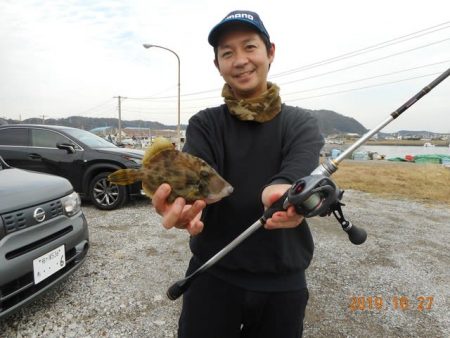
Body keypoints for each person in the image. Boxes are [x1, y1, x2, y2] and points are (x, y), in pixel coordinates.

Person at [152, 10, 324, 338]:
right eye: (227, 53)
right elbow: (195, 174)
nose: (240, 60)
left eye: (249, 47)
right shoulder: (205, 123)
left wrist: (283, 192)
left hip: (283, 281)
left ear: (270, 52)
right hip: (212, 276)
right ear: (218, 65)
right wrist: (182, 203)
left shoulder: (300, 122)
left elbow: (299, 167)